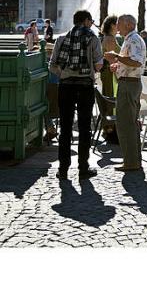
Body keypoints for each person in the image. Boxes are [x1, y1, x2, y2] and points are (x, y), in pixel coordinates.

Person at [49, 10, 103, 180]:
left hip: (65, 86)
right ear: (86, 21)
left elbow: (52, 64)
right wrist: (89, 70)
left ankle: (63, 169)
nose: (92, 23)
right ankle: (83, 168)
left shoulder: (61, 38)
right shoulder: (92, 38)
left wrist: (65, 73)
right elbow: (99, 64)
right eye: (91, 20)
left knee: (65, 128)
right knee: (85, 128)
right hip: (85, 86)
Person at [104, 14, 147, 172]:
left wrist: (116, 57)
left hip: (129, 85)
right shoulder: (131, 39)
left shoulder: (133, 39)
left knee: (125, 124)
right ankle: (133, 160)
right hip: (129, 83)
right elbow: (131, 62)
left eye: (119, 23)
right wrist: (117, 64)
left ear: (129, 24)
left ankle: (131, 162)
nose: (117, 26)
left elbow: (136, 62)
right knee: (129, 123)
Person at [100, 15, 120, 98]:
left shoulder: (109, 38)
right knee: (110, 98)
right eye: (118, 23)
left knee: (109, 96)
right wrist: (118, 76)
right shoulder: (110, 39)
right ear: (112, 25)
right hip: (110, 72)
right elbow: (111, 59)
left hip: (109, 72)